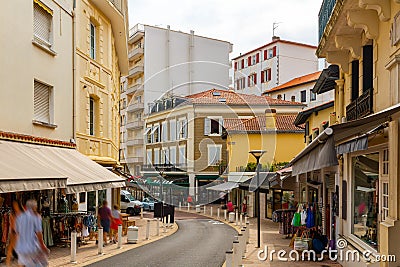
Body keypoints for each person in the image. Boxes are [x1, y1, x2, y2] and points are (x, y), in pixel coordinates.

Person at [15, 199, 49, 267]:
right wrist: (43, 246)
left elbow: (17, 234)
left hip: (21, 248)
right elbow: (39, 234)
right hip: (32, 248)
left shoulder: (19, 217)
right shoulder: (36, 217)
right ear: (34, 207)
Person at [6, 200, 24, 266]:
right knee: (10, 250)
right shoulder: (12, 214)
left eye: (16, 205)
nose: (15, 206)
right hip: (14, 233)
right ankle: (8, 263)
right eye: (14, 205)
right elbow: (11, 225)